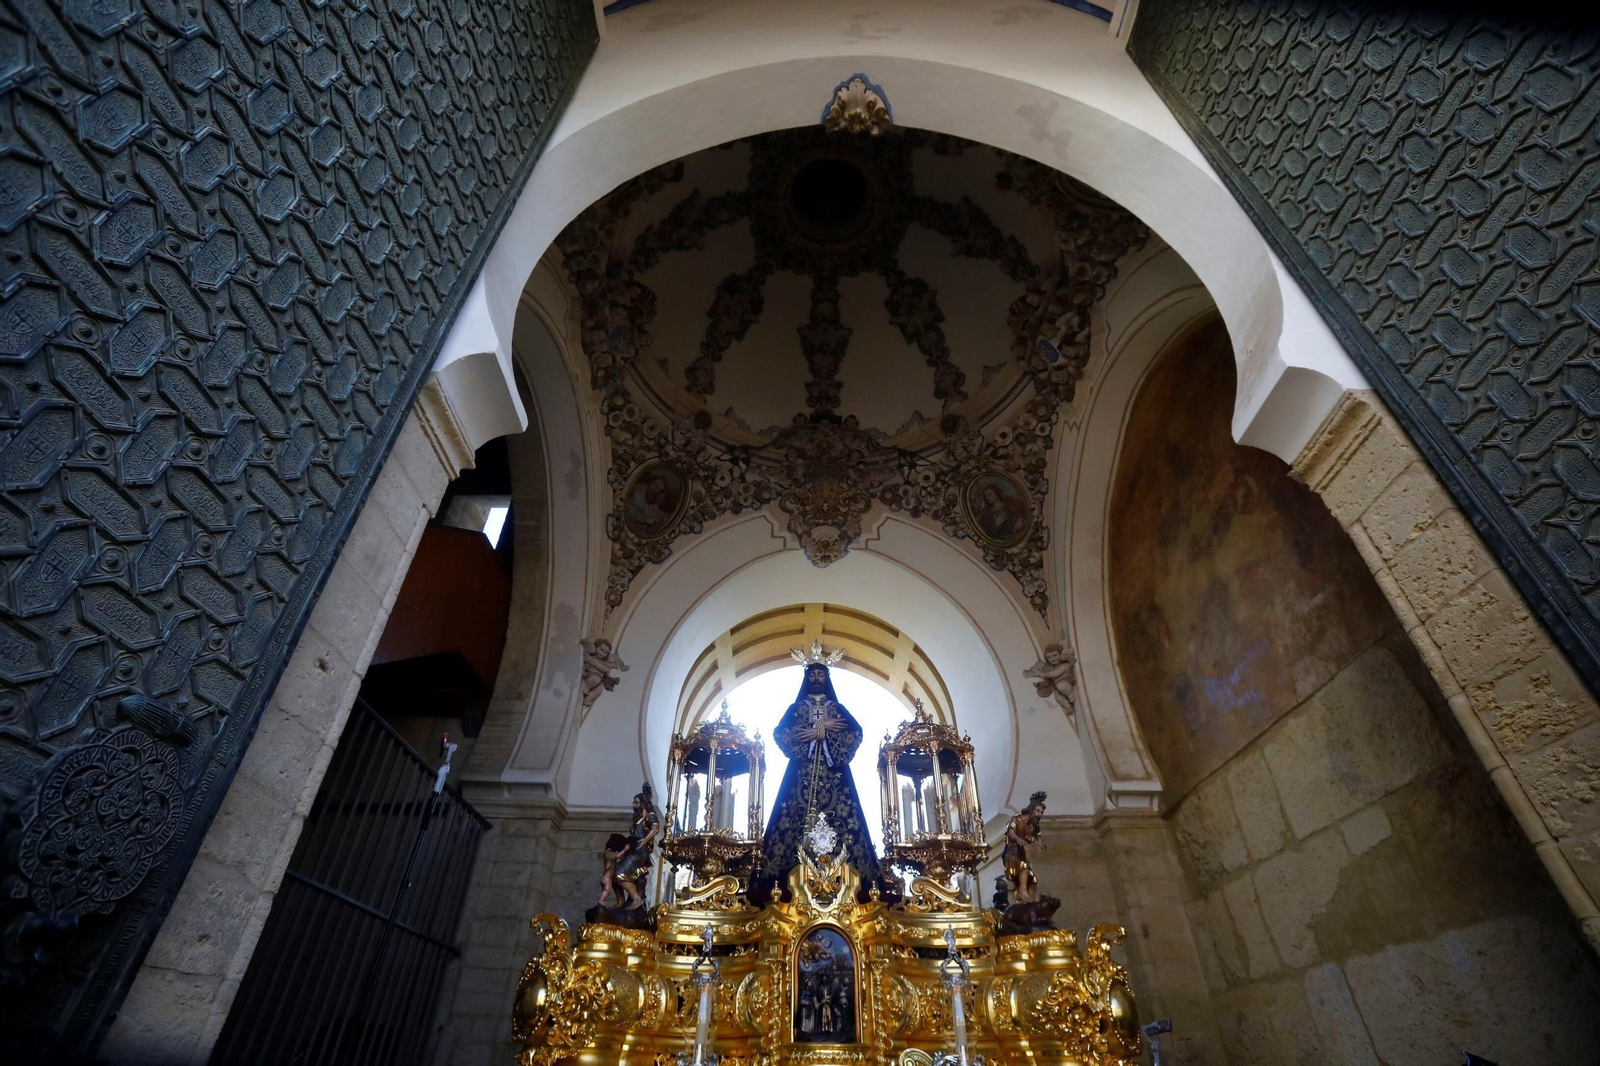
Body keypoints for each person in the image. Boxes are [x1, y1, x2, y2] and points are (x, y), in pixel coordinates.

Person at [763, 660, 879, 886]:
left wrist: (822, 731)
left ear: (826, 679)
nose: (816, 678)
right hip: (800, 775)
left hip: (834, 776)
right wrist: (818, 729)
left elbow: (855, 733)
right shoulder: (796, 709)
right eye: (813, 674)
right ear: (807, 679)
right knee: (791, 821)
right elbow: (781, 734)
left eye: (820, 674)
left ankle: (846, 877)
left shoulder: (837, 709)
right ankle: (787, 879)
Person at [598, 783, 662, 909]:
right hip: (633, 850)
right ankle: (620, 902)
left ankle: (637, 900)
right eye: (634, 802)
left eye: (636, 802)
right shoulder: (638, 820)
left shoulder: (650, 816)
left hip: (640, 851)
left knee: (619, 873)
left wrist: (645, 840)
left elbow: (655, 828)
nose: (633, 805)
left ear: (643, 804)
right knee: (613, 874)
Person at [1002, 790, 1048, 903]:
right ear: (1031, 809)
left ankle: (1031, 904)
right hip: (1011, 854)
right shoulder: (1016, 819)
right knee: (1024, 866)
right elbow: (1011, 832)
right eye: (1038, 811)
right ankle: (1023, 891)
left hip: (1022, 855)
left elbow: (1038, 836)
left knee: (1033, 880)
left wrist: (1040, 845)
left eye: (1041, 812)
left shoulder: (1034, 826)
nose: (1039, 814)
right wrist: (1017, 839)